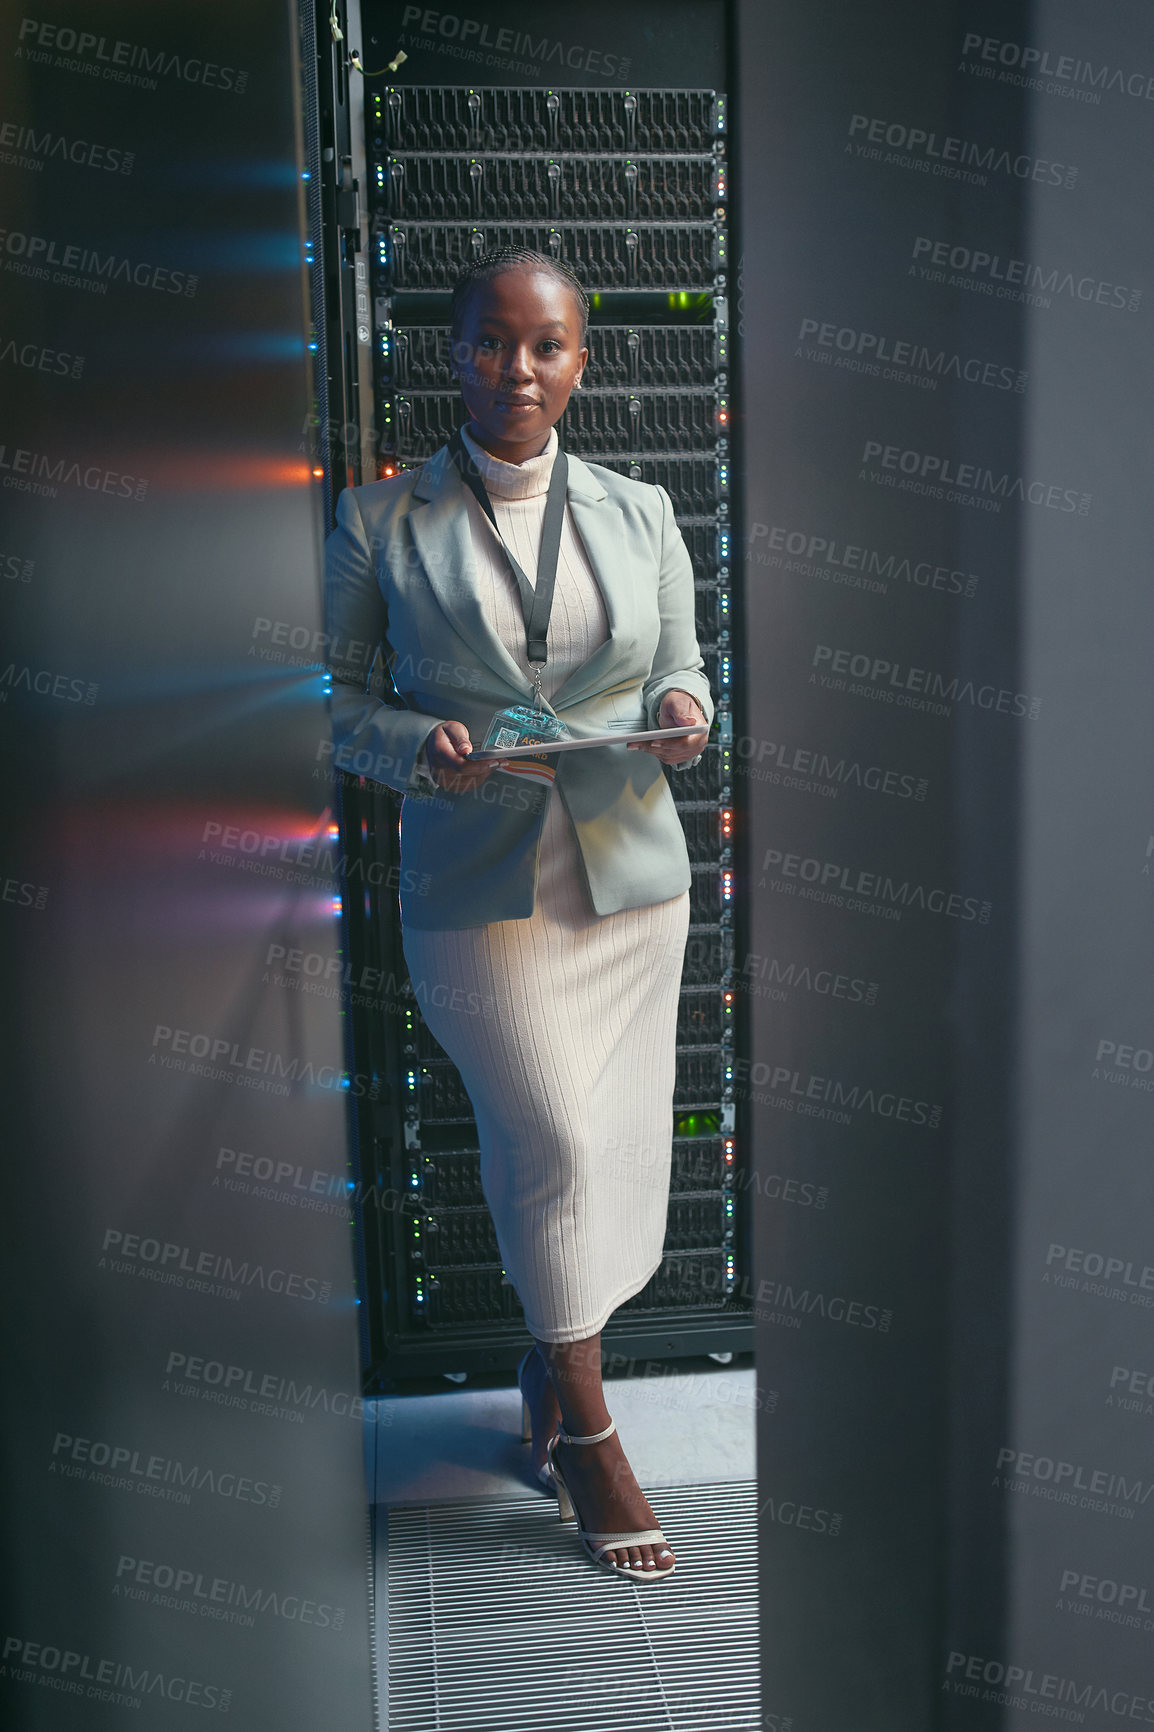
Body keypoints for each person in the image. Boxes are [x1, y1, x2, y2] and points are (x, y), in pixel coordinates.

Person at [324, 247, 713, 1582]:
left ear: (579, 364)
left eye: (544, 346)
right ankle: (592, 1434)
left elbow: (680, 671)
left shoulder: (640, 509)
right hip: (479, 898)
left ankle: (550, 1361)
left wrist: (683, 720)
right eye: (492, 343)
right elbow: (335, 705)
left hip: (628, 890)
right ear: (453, 354)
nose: (517, 369)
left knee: (609, 1154)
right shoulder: (379, 519)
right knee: (549, 1136)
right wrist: (414, 738)